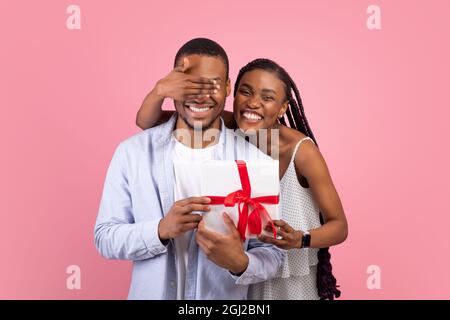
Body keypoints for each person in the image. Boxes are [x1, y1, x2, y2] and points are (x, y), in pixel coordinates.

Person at [136, 57, 348, 300]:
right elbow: (147, 122)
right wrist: (160, 91)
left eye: (267, 98)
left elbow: (339, 227)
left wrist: (300, 238)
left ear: (282, 108)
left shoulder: (302, 151)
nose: (253, 103)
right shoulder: (230, 125)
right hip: (245, 271)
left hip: (291, 278)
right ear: (232, 95)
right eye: (245, 92)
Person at [94, 38, 285, 300]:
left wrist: (240, 262)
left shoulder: (256, 163)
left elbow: (273, 254)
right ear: (173, 86)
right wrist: (160, 230)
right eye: (189, 84)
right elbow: (105, 237)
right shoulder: (132, 153)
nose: (201, 96)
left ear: (228, 87)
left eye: (213, 85)